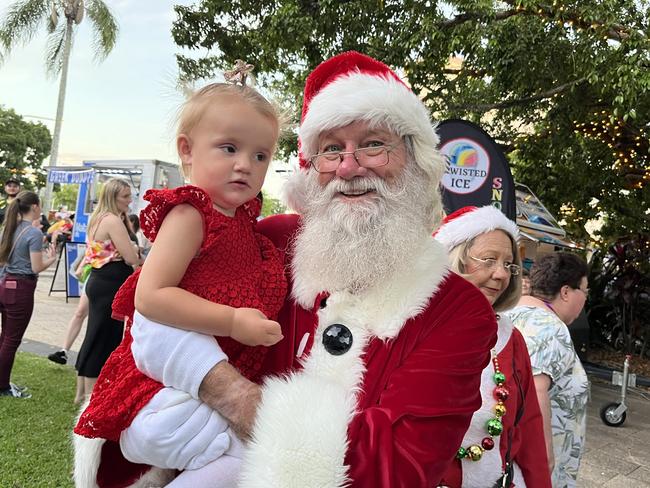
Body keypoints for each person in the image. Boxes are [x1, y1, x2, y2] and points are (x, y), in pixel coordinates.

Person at [74, 51, 497, 488]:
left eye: (374, 143)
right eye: (331, 149)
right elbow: (152, 313)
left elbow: (398, 464)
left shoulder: (459, 309)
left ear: (416, 160)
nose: (349, 167)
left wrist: (232, 396)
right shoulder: (268, 240)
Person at [74, 80, 287, 488]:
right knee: (216, 445)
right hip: (166, 377)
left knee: (247, 452)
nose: (245, 163)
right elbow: (151, 296)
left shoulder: (243, 222)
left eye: (260, 155)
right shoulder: (192, 215)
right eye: (230, 148)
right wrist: (233, 321)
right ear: (187, 151)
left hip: (208, 375)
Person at [433, 206, 551, 488]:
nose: (502, 274)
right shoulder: (408, 329)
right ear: (454, 259)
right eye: (488, 260)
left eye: (508, 264)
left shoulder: (510, 339)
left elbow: (530, 431)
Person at [507, 252, 589, 487]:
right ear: (565, 292)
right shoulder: (550, 327)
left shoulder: (511, 313)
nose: (585, 300)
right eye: (584, 291)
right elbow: (535, 389)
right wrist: (543, 464)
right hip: (531, 471)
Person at [74, 178, 141, 402]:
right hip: (110, 281)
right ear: (113, 197)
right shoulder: (112, 220)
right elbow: (132, 258)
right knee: (104, 338)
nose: (130, 200)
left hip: (98, 279)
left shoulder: (98, 218)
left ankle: (82, 392)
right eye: (125, 196)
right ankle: (91, 396)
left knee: (94, 335)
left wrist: (128, 251)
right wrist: (133, 250)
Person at [0, 191, 58, 398]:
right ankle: (3, 386)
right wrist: (52, 258)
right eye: (40, 205)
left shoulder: (10, 228)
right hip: (21, 288)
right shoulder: (33, 234)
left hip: (5, 285)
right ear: (34, 207)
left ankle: (2, 381)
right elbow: (36, 266)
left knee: (5, 336)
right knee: (11, 339)